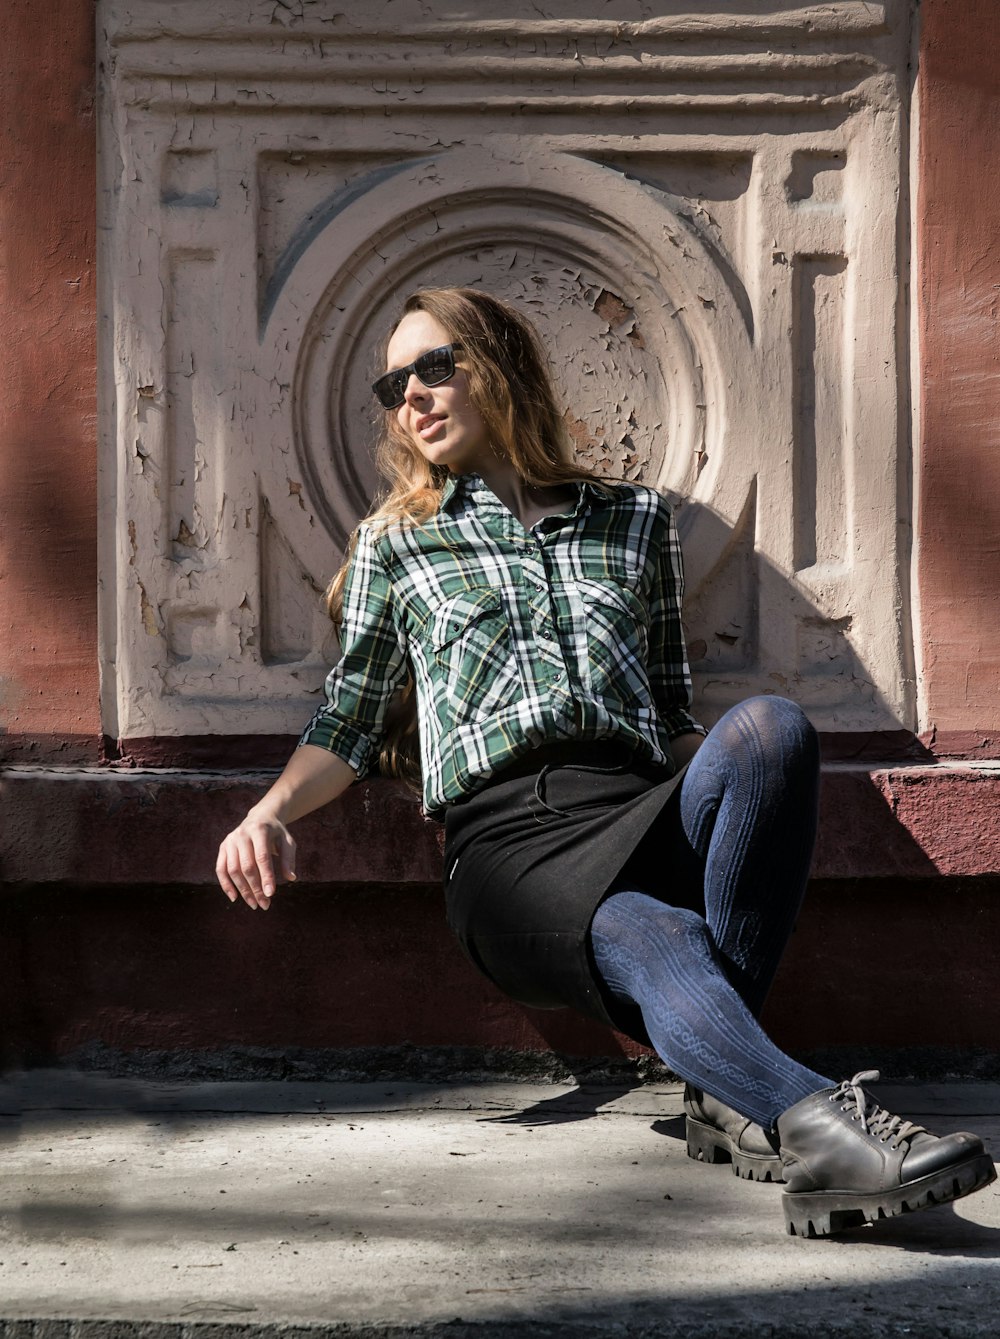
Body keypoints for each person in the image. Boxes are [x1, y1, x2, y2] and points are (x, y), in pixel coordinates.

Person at [216, 286, 995, 1238]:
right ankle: (818, 1127)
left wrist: (733, 797)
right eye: (394, 383)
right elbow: (348, 720)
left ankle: (725, 1086)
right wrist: (268, 813)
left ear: (499, 367)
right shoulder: (399, 542)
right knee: (657, 936)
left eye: (435, 365)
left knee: (771, 729)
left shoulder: (632, 521)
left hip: (633, 798)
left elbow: (671, 714)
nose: (411, 397)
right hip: (509, 844)